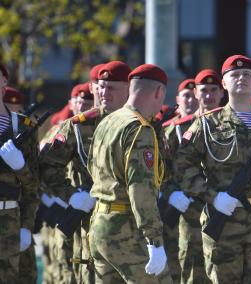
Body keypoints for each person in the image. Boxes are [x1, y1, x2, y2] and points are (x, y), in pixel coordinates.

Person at [174, 55, 251, 283]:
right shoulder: (207, 124)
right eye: (235, 74)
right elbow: (183, 167)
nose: (241, 78)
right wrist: (212, 196)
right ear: (224, 83)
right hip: (224, 217)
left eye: (247, 75)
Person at [39, 61, 131, 284]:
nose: (104, 92)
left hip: (131, 226)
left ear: (128, 89)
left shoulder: (142, 125)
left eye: (111, 87)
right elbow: (46, 165)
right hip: (90, 225)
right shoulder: (78, 126)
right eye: (101, 86)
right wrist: (70, 195)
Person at [87, 63, 173, 283]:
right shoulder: (139, 129)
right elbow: (140, 189)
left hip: (100, 221)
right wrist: (154, 239)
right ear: (158, 92)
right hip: (126, 227)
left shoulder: (108, 121)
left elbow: (91, 167)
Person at [164, 69, 224, 284]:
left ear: (221, 93)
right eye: (203, 91)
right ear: (196, 94)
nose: (208, 96)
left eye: (213, 90)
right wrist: (171, 193)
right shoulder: (178, 130)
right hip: (190, 212)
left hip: (224, 210)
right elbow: (160, 170)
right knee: (192, 272)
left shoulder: (230, 127)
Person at [0, 62, 39, 282]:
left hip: (10, 222)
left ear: (4, 81)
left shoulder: (23, 127)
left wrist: (26, 227)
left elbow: (34, 185)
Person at [160, 78, 198, 283]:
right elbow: (159, 170)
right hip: (174, 209)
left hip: (203, 203)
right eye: (186, 96)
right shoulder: (170, 130)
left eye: (194, 95)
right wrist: (171, 191)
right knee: (174, 266)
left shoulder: (210, 126)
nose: (191, 100)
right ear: (177, 99)